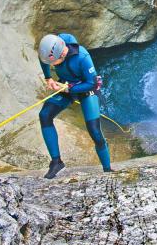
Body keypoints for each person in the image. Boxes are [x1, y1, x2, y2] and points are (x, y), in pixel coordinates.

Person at [38, 33, 113, 179]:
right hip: (65, 84)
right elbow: (43, 59)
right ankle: (56, 162)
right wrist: (48, 78)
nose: (52, 65)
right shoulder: (54, 46)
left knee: (95, 131)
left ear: (63, 54)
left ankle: (107, 169)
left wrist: (68, 89)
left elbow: (92, 83)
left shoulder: (83, 57)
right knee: (45, 115)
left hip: (86, 89)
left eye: (54, 63)